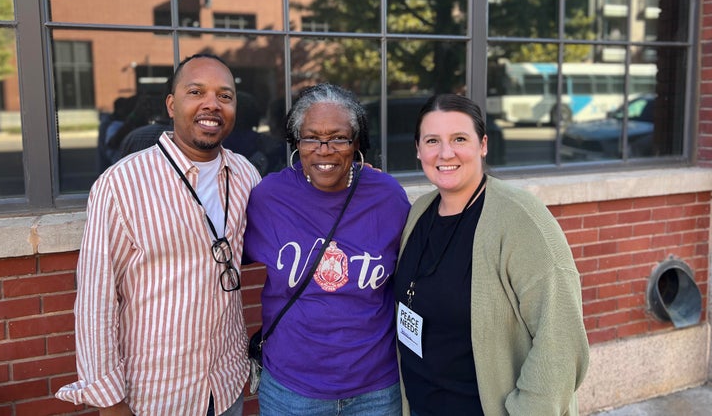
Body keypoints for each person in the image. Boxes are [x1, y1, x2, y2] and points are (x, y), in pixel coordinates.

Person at [56, 53, 261, 416]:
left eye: (224, 96)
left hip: (226, 385)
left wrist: (354, 177)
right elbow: (95, 300)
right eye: (195, 92)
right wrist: (109, 401)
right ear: (171, 104)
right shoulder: (121, 184)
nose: (211, 104)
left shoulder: (245, 174)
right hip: (156, 394)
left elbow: (294, 205)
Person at [394, 93, 589, 416]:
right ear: (418, 149)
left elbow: (561, 338)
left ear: (483, 145)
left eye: (459, 138)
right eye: (432, 140)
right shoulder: (419, 212)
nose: (446, 153)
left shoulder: (519, 218)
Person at [243, 83, 411, 415]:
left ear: (356, 143)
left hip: (376, 389)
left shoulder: (388, 197)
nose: (324, 149)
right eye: (311, 138)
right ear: (296, 142)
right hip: (292, 390)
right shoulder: (268, 197)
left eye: (338, 138)